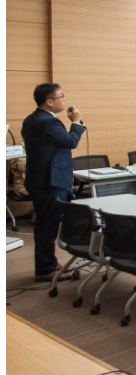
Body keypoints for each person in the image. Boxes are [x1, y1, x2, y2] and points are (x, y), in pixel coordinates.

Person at [22, 83, 86, 280]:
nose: (64, 100)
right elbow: (70, 141)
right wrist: (76, 123)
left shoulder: (31, 119)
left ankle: (48, 263)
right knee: (48, 226)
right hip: (50, 182)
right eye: (61, 96)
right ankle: (46, 269)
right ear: (49, 102)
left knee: (45, 224)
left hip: (40, 180)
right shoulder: (49, 122)